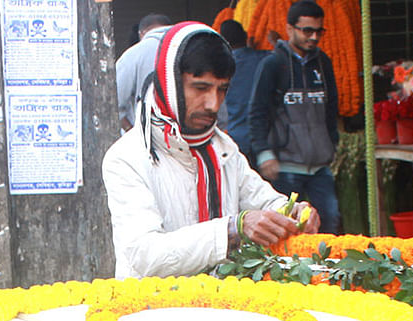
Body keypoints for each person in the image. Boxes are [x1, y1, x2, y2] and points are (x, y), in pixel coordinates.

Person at [102, 22, 318, 280]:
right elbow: (145, 256)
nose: (213, 104)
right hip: (151, 309)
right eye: (200, 88)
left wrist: (291, 212)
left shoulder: (223, 149)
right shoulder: (127, 157)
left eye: (222, 89)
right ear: (169, 83)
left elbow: (262, 200)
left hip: (221, 305)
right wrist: (232, 229)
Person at [247, 0, 341, 233]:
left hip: (320, 166)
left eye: (319, 31)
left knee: (330, 222)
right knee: (287, 230)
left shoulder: (323, 63)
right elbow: (257, 112)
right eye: (307, 30)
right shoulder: (273, 64)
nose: (314, 37)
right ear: (290, 29)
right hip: (284, 166)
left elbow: (332, 109)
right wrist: (265, 154)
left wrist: (332, 143)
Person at [216, 20, 270, 164]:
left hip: (237, 139)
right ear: (246, 36)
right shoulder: (263, 59)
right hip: (266, 140)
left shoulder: (221, 68)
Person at [114, 14, 172, 132]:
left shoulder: (132, 54)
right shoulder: (186, 50)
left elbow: (115, 101)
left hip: (143, 138)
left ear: (141, 33)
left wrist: (130, 130)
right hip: (185, 139)